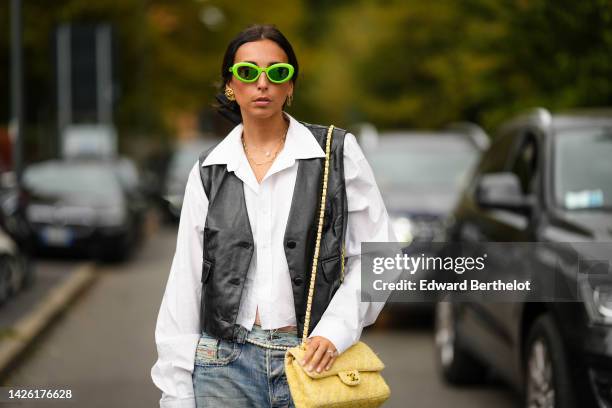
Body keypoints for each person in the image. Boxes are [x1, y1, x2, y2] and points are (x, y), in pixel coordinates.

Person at [151, 24, 397, 408]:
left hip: (314, 361)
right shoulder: (208, 170)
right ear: (231, 86)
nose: (262, 83)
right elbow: (185, 284)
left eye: (277, 72)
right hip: (223, 366)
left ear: (290, 86)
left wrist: (334, 332)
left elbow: (380, 255)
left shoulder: (337, 153)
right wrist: (176, 392)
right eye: (248, 72)